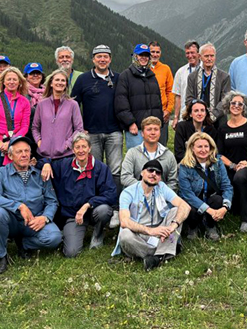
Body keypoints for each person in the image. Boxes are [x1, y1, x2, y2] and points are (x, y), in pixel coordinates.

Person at [0, 136, 62, 274]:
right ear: (10, 156)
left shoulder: (40, 174)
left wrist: (45, 218)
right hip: (11, 220)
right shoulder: (1, 173)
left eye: (26, 151)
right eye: (19, 151)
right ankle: (1, 255)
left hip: (34, 221)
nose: (24, 155)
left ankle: (24, 244)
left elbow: (52, 201)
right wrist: (18, 206)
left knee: (54, 238)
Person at [71, 44, 124, 228]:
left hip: (114, 131)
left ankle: (115, 208)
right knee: (94, 170)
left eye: (105, 56)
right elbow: (74, 105)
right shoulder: (83, 79)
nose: (102, 59)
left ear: (110, 59)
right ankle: (95, 208)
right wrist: (79, 128)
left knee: (115, 170)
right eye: (99, 56)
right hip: (91, 132)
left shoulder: (118, 78)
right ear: (93, 59)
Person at [39, 133, 116, 258]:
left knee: (104, 210)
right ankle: (68, 232)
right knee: (71, 252)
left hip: (93, 211)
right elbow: (41, 162)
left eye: (84, 147)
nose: (81, 150)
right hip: (73, 216)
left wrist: (88, 204)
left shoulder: (101, 168)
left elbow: (111, 194)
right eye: (77, 147)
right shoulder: (64, 165)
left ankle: (98, 234)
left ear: (89, 148)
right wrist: (46, 164)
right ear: (73, 150)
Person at [112, 160, 191, 271]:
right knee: (125, 235)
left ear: (160, 178)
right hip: (139, 234)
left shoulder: (161, 187)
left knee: (176, 211)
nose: (154, 174)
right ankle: (164, 253)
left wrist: (172, 226)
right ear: (142, 173)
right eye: (150, 170)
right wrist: (151, 231)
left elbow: (185, 206)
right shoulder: (128, 192)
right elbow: (124, 221)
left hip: (161, 233)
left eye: (158, 173)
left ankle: (156, 257)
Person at [216, 90, 247, 232]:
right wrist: (233, 165)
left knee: (240, 177)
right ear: (228, 105)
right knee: (228, 181)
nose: (236, 106)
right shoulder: (223, 128)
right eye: (233, 103)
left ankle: (246, 219)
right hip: (230, 167)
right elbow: (219, 154)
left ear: (244, 107)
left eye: (240, 104)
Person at [178, 132, 233, 240]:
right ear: (192, 148)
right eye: (199, 147)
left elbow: (227, 186)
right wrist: (209, 210)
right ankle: (193, 226)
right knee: (188, 206)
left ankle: (210, 225)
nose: (203, 150)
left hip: (210, 199)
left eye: (206, 146)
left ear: (211, 148)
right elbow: (187, 194)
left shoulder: (218, 162)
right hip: (194, 202)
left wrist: (225, 207)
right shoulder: (184, 166)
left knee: (218, 200)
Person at [0, 67, 31, 170]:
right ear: (3, 81)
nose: (11, 82)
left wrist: (11, 142)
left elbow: (25, 126)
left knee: (15, 177)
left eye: (14, 79)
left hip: (15, 147)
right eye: (9, 79)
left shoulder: (24, 101)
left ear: (19, 82)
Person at [114, 44, 164, 149]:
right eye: (141, 55)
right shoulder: (125, 76)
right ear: (135, 56)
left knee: (152, 156)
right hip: (135, 129)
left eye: (146, 55)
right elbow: (121, 102)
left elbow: (157, 102)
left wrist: (158, 123)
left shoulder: (152, 76)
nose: (144, 58)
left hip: (152, 128)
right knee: (137, 157)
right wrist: (130, 123)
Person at [32, 68, 84, 167]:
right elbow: (35, 127)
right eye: (57, 80)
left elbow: (79, 129)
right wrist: (39, 142)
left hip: (65, 155)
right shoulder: (41, 104)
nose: (60, 83)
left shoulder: (73, 104)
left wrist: (67, 144)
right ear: (51, 83)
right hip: (43, 155)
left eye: (63, 80)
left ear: (66, 84)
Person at [120, 116, 178, 190]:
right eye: (149, 129)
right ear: (142, 133)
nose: (153, 133)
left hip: (161, 195)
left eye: (156, 129)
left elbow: (173, 181)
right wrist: (146, 188)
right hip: (137, 194)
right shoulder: (132, 153)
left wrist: (159, 192)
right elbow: (125, 177)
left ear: (160, 133)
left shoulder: (169, 155)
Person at [185, 42, 231, 124]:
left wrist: (212, 115)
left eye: (212, 56)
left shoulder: (224, 77)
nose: (209, 59)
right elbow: (189, 98)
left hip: (218, 120)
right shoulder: (192, 77)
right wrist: (198, 112)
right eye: (206, 56)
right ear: (200, 57)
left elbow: (225, 100)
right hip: (197, 119)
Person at [148, 41, 175, 146]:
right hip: (146, 113)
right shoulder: (143, 68)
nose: (155, 55)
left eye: (157, 52)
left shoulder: (165, 69)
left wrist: (168, 110)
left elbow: (170, 91)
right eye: (152, 52)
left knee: (162, 144)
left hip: (162, 113)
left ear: (160, 53)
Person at [172, 40, 201, 127]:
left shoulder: (206, 70)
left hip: (202, 115)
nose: (190, 56)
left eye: (192, 52)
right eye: (187, 53)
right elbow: (178, 96)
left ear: (198, 54)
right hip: (185, 115)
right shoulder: (180, 72)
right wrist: (176, 117)